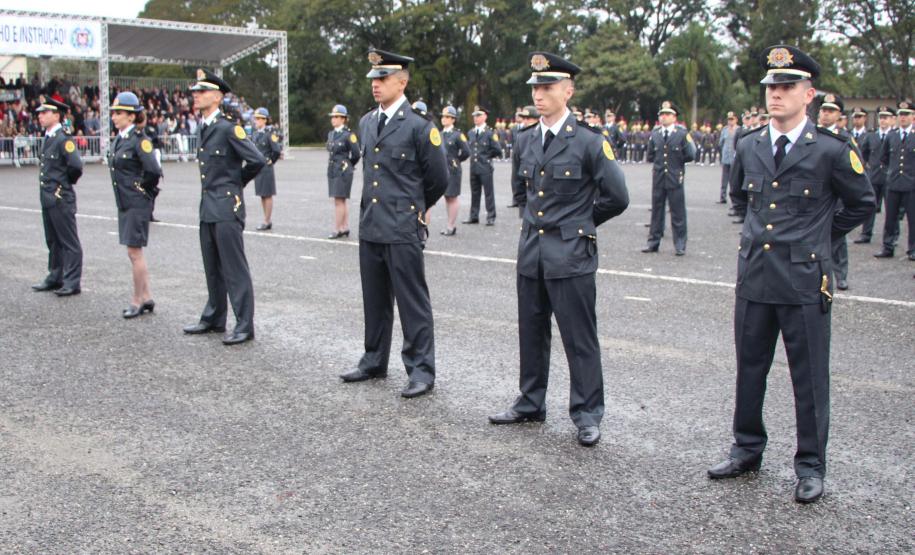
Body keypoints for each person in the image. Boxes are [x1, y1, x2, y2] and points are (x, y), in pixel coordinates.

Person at [710, 45, 874, 504]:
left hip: (803, 279)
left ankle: (810, 465)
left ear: (809, 94)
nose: (776, 94)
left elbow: (862, 203)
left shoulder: (831, 149)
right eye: (771, 86)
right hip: (756, 276)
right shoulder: (749, 144)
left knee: (809, 376)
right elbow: (741, 200)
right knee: (750, 369)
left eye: (786, 86)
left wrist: (820, 236)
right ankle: (746, 449)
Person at [488, 52, 629, 447]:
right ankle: (530, 401)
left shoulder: (588, 140)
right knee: (531, 332)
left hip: (571, 254)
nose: (539, 94)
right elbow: (522, 194)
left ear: (568, 91)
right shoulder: (525, 138)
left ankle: (587, 413)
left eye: (547, 87)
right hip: (532, 252)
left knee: (579, 337)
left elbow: (617, 197)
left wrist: (580, 223)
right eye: (535, 87)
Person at [339, 49, 448, 398]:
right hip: (372, 223)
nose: (376, 84)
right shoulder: (367, 122)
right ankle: (374, 360)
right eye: (373, 78)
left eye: (383, 78)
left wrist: (413, 207)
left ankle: (421, 370)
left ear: (402, 82)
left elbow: (439, 178)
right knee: (374, 299)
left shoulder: (419, 126)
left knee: (412, 301)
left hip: (402, 225)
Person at [182, 69, 266, 345]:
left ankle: (244, 325)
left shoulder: (228, 128)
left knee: (233, 268)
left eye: (202, 91)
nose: (196, 95)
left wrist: (235, 183)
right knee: (212, 266)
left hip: (227, 206)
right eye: (195, 92)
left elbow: (256, 160)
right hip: (208, 205)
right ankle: (214, 317)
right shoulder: (205, 127)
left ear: (217, 97)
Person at [108, 92, 163, 318]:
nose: (114, 117)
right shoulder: (120, 139)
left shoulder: (139, 140)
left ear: (131, 116)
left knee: (134, 252)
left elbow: (153, 170)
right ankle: (147, 296)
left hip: (135, 202)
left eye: (119, 113)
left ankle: (137, 300)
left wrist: (142, 190)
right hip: (125, 201)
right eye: (114, 113)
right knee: (133, 251)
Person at [31, 97, 84, 297]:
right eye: (40, 113)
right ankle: (55, 276)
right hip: (48, 196)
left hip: (60, 196)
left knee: (68, 241)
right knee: (53, 240)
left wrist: (63, 185)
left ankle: (72, 281)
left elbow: (76, 166)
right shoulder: (48, 137)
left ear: (56, 115)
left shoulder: (63, 139)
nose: (40, 116)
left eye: (44, 113)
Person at [642, 101, 696, 255]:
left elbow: (690, 154)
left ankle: (680, 244)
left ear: (674, 117)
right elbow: (650, 155)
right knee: (656, 212)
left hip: (674, 177)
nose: (663, 117)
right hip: (659, 177)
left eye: (667, 114)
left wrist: (677, 165)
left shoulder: (681, 134)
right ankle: (653, 242)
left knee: (678, 212)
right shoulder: (655, 134)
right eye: (661, 114)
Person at [874, 101, 915, 261]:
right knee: (890, 218)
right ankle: (888, 246)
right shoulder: (892, 136)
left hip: (912, 185)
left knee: (912, 219)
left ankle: (913, 249)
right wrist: (890, 174)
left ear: (913, 117)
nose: (903, 117)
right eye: (900, 115)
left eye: (906, 114)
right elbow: (884, 158)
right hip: (893, 183)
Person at [854, 106, 894, 244]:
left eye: (886, 118)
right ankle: (866, 234)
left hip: (889, 178)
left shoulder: (894, 136)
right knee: (870, 206)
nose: (883, 121)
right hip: (874, 176)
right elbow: (863, 154)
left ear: (892, 120)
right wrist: (867, 165)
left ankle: (890, 239)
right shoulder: (871, 136)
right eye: (881, 118)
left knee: (891, 211)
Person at [325, 104, 361, 238]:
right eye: (332, 117)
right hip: (333, 170)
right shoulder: (331, 134)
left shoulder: (348, 135)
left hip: (343, 170)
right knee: (340, 200)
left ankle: (338, 229)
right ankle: (344, 227)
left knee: (339, 201)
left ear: (343, 119)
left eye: (336, 117)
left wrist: (349, 165)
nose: (333, 119)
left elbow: (356, 154)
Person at [463, 106, 502, 225]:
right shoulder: (471, 132)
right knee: (474, 193)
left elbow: (498, 150)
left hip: (485, 167)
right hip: (474, 167)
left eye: (478, 115)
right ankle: (474, 216)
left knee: (488, 193)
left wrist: (486, 156)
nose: (476, 118)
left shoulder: (490, 133)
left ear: (485, 116)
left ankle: (491, 216)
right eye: (474, 115)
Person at [439, 105, 470, 236]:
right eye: (443, 116)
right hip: (443, 169)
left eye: (447, 117)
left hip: (453, 169)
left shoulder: (457, 135)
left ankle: (451, 226)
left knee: (452, 197)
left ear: (453, 119)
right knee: (447, 196)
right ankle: (450, 224)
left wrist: (456, 161)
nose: (444, 119)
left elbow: (466, 151)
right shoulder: (440, 134)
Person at [251, 107, 282, 231]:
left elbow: (276, 150)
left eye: (259, 119)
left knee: (267, 194)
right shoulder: (255, 134)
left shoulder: (270, 134)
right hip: (258, 168)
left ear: (265, 120)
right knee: (262, 195)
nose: (256, 121)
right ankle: (266, 219)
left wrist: (270, 161)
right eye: (256, 118)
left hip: (266, 168)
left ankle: (267, 220)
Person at [719, 111, 739, 204]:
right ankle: (722, 197)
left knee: (733, 180)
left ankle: (734, 199)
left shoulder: (739, 130)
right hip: (726, 157)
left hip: (735, 158)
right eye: (729, 120)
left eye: (732, 119)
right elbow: (721, 142)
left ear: (736, 120)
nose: (730, 121)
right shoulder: (725, 129)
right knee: (724, 179)